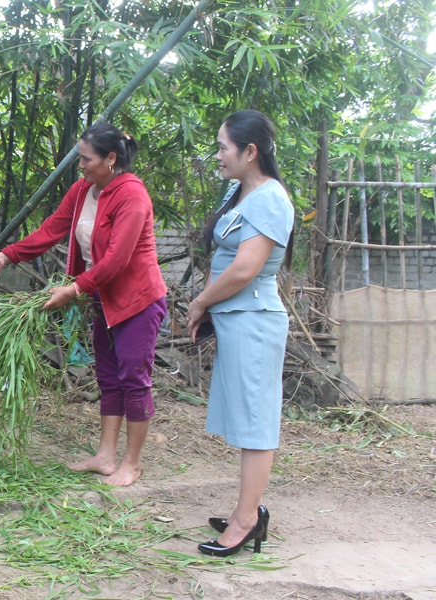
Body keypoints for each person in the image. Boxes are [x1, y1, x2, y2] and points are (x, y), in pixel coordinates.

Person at [0, 122, 168, 487]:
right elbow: (52, 229)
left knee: (134, 380)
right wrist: (7, 255)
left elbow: (116, 261)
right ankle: (105, 456)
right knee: (109, 378)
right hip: (103, 299)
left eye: (86, 159)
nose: (80, 165)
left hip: (137, 302)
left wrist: (74, 289)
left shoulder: (132, 196)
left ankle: (132, 462)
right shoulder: (84, 190)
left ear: (111, 159)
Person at [186, 109, 294, 557]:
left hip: (253, 320)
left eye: (223, 147)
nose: (217, 155)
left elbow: (246, 268)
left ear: (250, 152)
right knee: (245, 419)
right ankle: (244, 512)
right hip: (237, 321)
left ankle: (247, 521)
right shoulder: (239, 193)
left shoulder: (271, 198)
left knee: (255, 425)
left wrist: (201, 301)